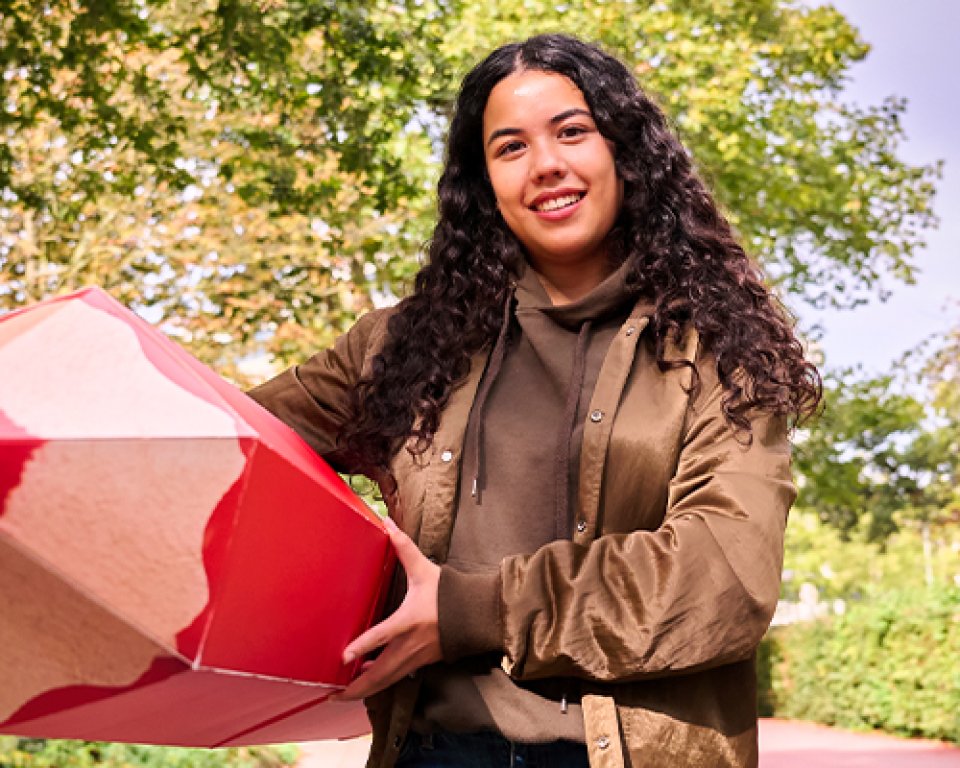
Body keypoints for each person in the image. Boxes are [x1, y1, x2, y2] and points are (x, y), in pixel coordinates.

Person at [249, 33, 821, 768]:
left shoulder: (716, 349)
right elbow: (233, 445)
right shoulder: (401, 344)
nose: (546, 164)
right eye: (510, 147)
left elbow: (722, 581)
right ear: (483, 184)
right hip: (433, 751)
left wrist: (466, 612)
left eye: (572, 131)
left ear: (625, 151)